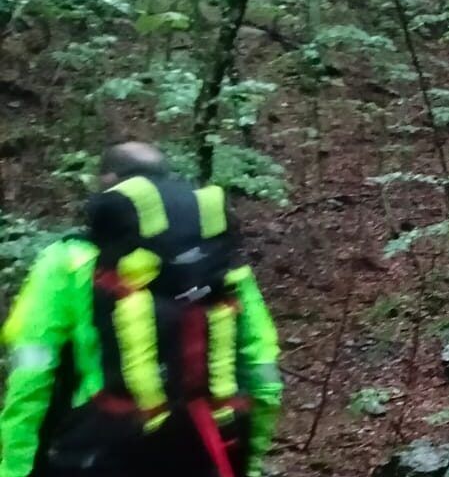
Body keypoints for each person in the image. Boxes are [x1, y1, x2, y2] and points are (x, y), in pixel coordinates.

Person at [0, 143, 282, 477]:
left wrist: (15, 468)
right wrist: (248, 461)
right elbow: (262, 372)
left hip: (99, 450)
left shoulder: (70, 259)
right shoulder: (222, 262)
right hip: (204, 448)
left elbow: (32, 375)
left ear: (107, 181)